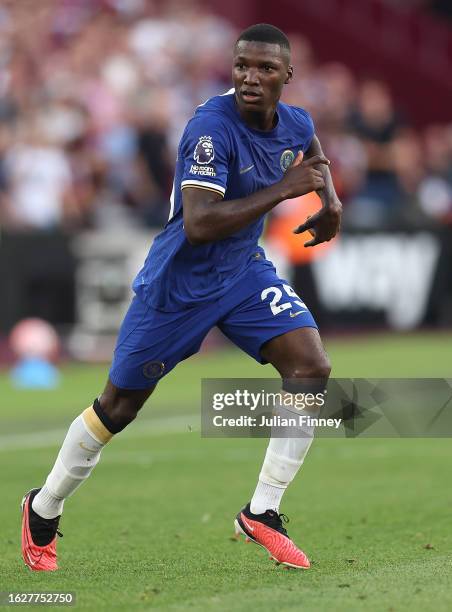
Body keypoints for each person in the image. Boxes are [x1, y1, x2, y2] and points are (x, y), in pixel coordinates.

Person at [21, 24, 342, 571]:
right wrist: (285, 191)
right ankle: (43, 507)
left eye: (265, 69)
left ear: (287, 76)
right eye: (242, 66)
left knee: (311, 367)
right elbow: (199, 223)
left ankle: (262, 511)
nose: (250, 77)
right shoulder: (210, 129)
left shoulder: (296, 120)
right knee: (117, 409)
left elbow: (308, 148)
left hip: (242, 275)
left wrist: (329, 200)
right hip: (178, 288)